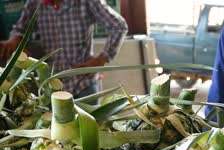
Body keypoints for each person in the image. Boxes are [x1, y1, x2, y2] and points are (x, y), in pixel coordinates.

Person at [0, 0, 128, 98]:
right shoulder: (35, 2)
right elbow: (20, 28)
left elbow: (119, 26)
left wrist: (102, 58)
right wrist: (15, 39)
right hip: (49, 86)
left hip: (83, 83)